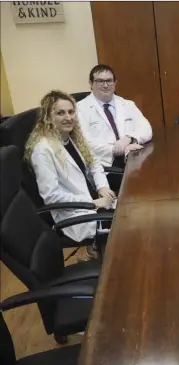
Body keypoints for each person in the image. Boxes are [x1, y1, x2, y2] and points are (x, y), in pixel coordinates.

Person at [24, 90, 117, 258]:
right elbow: (51, 196)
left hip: (95, 202)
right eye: (60, 113)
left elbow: (95, 164)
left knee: (132, 212)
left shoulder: (71, 137)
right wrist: (92, 202)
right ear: (48, 117)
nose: (68, 117)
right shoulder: (43, 150)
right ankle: (108, 262)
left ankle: (98, 251)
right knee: (125, 225)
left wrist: (102, 187)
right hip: (76, 213)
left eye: (71, 111)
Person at [77, 64, 152, 191]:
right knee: (143, 184)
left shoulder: (127, 104)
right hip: (105, 166)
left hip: (131, 157)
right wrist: (116, 149)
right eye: (100, 81)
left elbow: (146, 129)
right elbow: (83, 143)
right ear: (91, 83)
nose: (105, 85)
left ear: (115, 82)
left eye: (109, 81)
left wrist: (128, 139)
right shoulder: (80, 109)